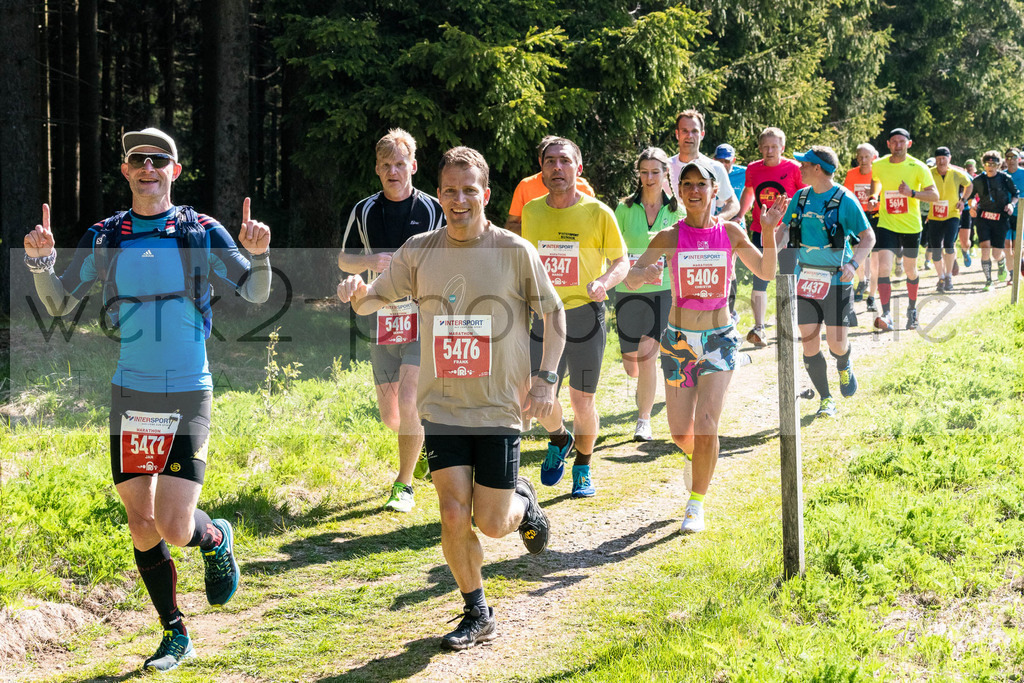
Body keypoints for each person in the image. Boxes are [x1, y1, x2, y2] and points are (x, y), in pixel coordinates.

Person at [23, 127, 271, 672]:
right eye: (138, 159)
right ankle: (174, 633)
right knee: (141, 522)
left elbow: (255, 292)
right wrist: (41, 266)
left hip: (187, 390)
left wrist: (261, 256)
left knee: (175, 525)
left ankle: (215, 535)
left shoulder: (202, 230)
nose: (148, 167)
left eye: (159, 160)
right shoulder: (106, 234)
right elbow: (61, 305)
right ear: (126, 170)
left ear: (174, 172)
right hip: (131, 392)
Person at [337, 146, 565, 651]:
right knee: (453, 513)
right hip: (441, 407)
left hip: (500, 406)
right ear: (438, 194)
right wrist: (357, 293)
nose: (459, 200)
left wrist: (546, 378)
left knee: (491, 520)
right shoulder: (419, 250)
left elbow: (554, 314)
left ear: (485, 194)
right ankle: (476, 610)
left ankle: (523, 503)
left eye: (469, 191)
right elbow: (378, 296)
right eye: (449, 191)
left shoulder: (513, 251)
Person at [625, 159, 782, 533]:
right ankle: (702, 460)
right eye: (688, 184)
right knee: (681, 432)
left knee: (709, 424)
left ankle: (696, 503)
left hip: (719, 340)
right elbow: (629, 278)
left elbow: (766, 272)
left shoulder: (729, 232)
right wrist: (642, 273)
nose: (695, 191)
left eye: (702, 184)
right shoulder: (668, 236)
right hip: (679, 342)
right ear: (679, 193)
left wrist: (770, 231)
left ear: (715, 191)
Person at [338, 128, 445, 512]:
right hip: (381, 316)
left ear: (413, 166)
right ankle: (426, 446)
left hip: (425, 316)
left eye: (400, 164)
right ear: (378, 170)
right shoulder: (364, 211)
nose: (393, 171)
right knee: (391, 415)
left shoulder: (434, 208)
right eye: (386, 165)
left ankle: (403, 486)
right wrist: (371, 262)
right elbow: (343, 259)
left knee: (412, 397)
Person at [521, 137, 628, 498]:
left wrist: (604, 281)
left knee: (582, 402)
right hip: (545, 317)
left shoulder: (599, 213)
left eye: (564, 161)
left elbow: (621, 261)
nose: (556, 168)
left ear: (577, 168)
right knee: (537, 398)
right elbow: (526, 265)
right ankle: (559, 437)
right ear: (542, 168)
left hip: (585, 316)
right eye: (549, 161)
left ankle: (583, 465)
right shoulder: (532, 212)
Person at [777, 147, 875, 418]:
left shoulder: (845, 199)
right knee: (809, 342)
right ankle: (826, 398)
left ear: (817, 168)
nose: (800, 169)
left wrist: (853, 264)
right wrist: (766, 254)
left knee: (836, 344)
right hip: (805, 277)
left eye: (804, 164)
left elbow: (868, 237)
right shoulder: (800, 197)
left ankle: (844, 363)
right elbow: (784, 230)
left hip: (836, 280)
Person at [615, 148, 683, 442]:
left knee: (647, 355)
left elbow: (686, 249)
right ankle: (643, 389)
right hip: (628, 290)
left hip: (664, 291)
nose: (650, 177)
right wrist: (634, 272)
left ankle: (643, 421)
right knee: (632, 364)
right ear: (638, 174)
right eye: (645, 172)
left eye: (656, 171)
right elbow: (613, 251)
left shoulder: (677, 210)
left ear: (666, 173)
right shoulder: (624, 209)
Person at [738, 127, 806, 347]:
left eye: (774, 147)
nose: (769, 151)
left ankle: (789, 326)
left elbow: (805, 195)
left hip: (787, 232)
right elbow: (749, 192)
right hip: (760, 230)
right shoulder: (753, 169)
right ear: (760, 148)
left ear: (782, 148)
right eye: (765, 147)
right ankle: (759, 329)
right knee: (760, 277)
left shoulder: (794, 168)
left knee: (788, 277)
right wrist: (741, 213)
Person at [866, 128, 939, 331]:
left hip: (911, 227)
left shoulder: (918, 166)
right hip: (887, 224)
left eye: (901, 142)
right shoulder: (879, 165)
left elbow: (934, 195)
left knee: (910, 270)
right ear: (888, 144)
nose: (898, 145)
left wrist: (912, 193)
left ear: (909, 144)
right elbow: (876, 182)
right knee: (883, 268)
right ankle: (887, 313)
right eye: (894, 142)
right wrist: (874, 197)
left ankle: (912, 309)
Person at [504, 135, 596, 236]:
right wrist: (539, 230)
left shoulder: (584, 188)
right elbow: (510, 227)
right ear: (541, 161)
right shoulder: (526, 186)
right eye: (550, 160)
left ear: (579, 169)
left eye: (564, 160)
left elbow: (593, 229)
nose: (557, 166)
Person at [668, 110, 741, 222]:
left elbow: (733, 203)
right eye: (685, 131)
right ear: (677, 134)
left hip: (703, 237)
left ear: (702, 134)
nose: (689, 136)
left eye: (694, 131)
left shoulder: (715, 167)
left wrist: (716, 221)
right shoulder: (664, 168)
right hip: (671, 236)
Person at [965, 149, 1019, 291]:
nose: (990, 167)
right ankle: (988, 281)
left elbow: (1015, 194)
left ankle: (1001, 264)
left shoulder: (1005, 178)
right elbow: (970, 197)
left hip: (1000, 219)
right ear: (983, 165)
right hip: (983, 218)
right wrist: (972, 205)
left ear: (998, 164)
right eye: (987, 164)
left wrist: (1011, 205)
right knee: (985, 249)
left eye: (993, 164)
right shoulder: (978, 180)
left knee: (996, 253)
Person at [926, 147, 972, 292]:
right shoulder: (929, 173)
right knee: (936, 249)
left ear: (949, 159)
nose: (941, 161)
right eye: (938, 158)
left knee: (949, 245)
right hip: (934, 215)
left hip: (952, 214)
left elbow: (969, 185)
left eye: (944, 158)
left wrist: (963, 200)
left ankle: (949, 276)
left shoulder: (957, 173)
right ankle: (940, 277)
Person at [713, 143, 746, 324]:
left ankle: (730, 313)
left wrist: (741, 216)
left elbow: (751, 190)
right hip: (711, 227)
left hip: (733, 225)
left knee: (730, 268)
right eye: (720, 161)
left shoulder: (744, 172)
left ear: (733, 160)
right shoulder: (710, 171)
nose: (724, 165)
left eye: (727, 161)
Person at [843, 143, 879, 308]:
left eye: (867, 157)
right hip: (858, 217)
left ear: (873, 158)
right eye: (860, 157)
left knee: (875, 256)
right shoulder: (851, 174)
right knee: (858, 251)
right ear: (857, 158)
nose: (863, 160)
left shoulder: (879, 174)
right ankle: (863, 280)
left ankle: (872, 296)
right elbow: (847, 196)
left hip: (876, 216)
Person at [1004, 148, 1024, 281]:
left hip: (1021, 214)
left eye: (1014, 157)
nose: (1011, 160)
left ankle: (1018, 267)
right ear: (1005, 160)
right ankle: (1011, 274)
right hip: (1005, 214)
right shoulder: (1001, 176)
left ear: (1019, 159)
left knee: (1018, 246)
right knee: (1006, 245)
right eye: (1008, 158)